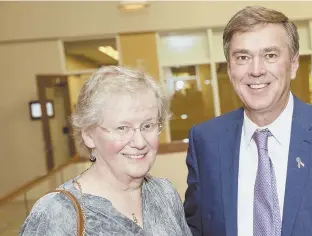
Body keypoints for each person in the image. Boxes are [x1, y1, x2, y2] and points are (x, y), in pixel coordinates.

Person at [183, 5, 312, 236]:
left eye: (270, 55)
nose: (256, 70)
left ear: (293, 64)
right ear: (229, 68)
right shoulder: (206, 141)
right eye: (243, 57)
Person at [20, 66, 192, 236]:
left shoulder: (164, 193)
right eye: (122, 128)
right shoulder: (56, 214)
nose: (140, 142)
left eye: (147, 126)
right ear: (89, 135)